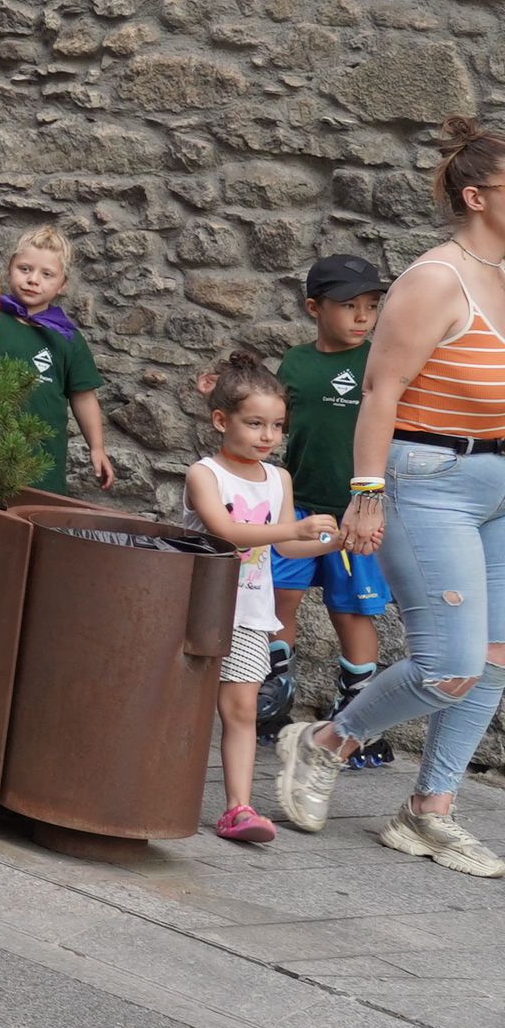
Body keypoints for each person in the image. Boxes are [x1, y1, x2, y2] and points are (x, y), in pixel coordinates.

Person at [273, 121, 505, 878]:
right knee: (450, 665)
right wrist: (365, 496)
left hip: (500, 486)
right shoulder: (437, 279)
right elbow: (382, 390)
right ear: (476, 196)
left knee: (496, 657)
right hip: (429, 480)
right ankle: (326, 741)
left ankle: (427, 811)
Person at [187, 358, 335, 848]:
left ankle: (238, 808)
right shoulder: (204, 474)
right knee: (180, 704)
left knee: (243, 712)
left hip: (248, 613)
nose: (267, 436)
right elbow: (227, 531)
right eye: (255, 423)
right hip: (194, 607)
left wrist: (337, 542)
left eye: (276, 426)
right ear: (220, 421)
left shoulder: (279, 480)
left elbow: (288, 548)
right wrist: (293, 528)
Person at [276, 253, 397, 760]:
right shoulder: (294, 364)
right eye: (349, 305)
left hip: (354, 514)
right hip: (299, 511)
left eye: (371, 305)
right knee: (280, 601)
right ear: (313, 307)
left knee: (350, 612)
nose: (363, 317)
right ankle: (271, 696)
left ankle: (360, 719)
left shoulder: (380, 363)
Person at [0, 225, 114, 491]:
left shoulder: (67, 338)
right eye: (25, 269)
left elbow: (83, 395)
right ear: (10, 268)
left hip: (41, 460)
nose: (33, 280)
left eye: (47, 274)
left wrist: (97, 448)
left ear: (62, 285)